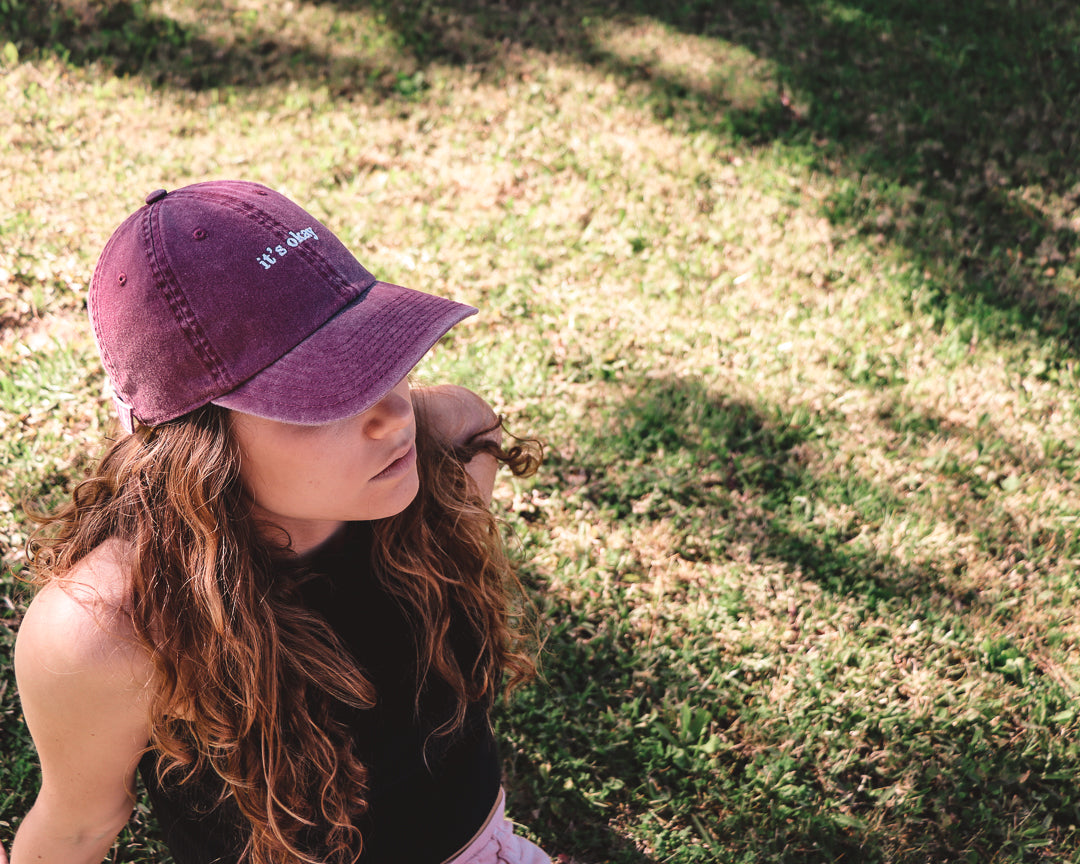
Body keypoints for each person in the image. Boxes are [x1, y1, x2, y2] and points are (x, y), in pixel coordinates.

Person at [4, 181, 549, 864]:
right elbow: (80, 825)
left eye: (381, 355)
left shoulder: (450, 454)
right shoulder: (105, 629)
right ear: (196, 447)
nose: (391, 414)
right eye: (324, 395)